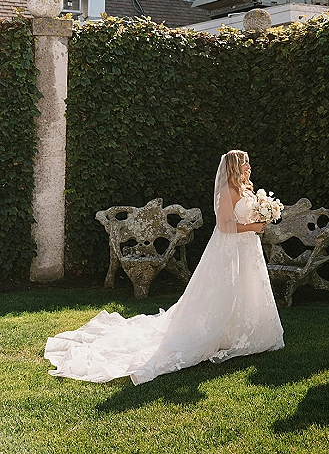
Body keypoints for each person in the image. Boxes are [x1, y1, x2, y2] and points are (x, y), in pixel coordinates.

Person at [44, 150, 284, 384]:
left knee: (246, 286)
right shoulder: (227, 190)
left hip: (247, 249)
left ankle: (243, 332)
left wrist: (260, 217)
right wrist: (253, 227)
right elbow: (224, 226)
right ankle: (217, 332)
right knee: (223, 289)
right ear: (234, 166)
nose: (249, 167)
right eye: (245, 163)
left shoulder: (246, 189)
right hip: (230, 249)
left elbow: (243, 218)